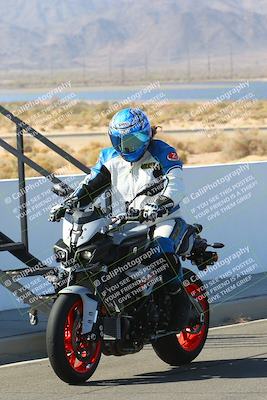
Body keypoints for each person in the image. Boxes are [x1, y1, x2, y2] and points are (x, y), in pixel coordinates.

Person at [49, 108, 196, 330]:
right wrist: (69, 203)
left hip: (164, 218)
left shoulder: (162, 152)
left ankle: (180, 302)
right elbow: (90, 186)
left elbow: (176, 183)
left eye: (136, 139)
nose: (129, 146)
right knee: (103, 250)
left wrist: (160, 203)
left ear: (147, 135)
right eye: (121, 140)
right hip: (130, 220)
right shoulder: (110, 157)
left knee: (161, 248)